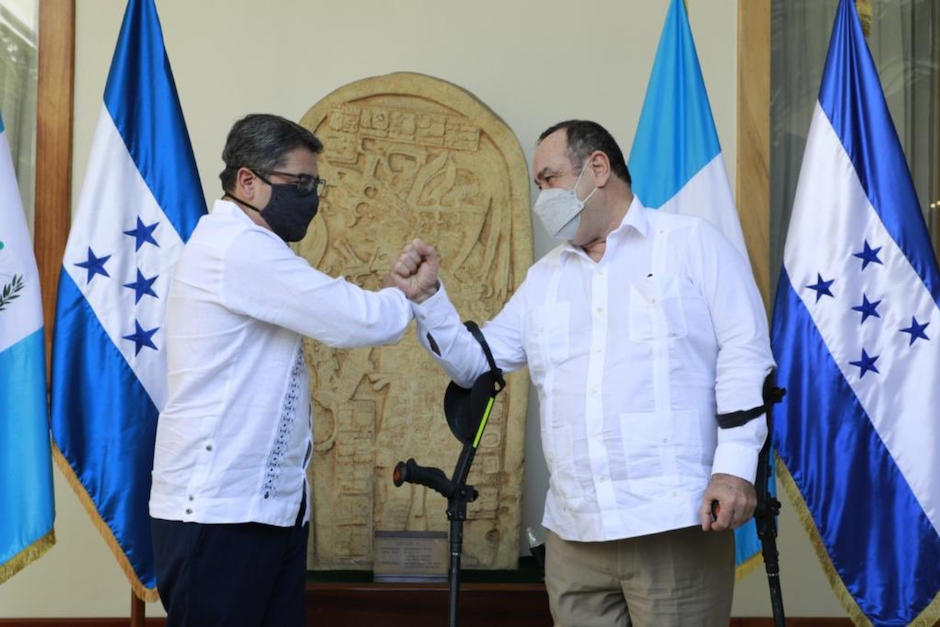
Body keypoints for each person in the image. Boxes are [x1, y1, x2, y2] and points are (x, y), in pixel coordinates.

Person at [391, 120, 775, 627]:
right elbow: (474, 365)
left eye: (549, 179)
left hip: (671, 522)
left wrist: (734, 470)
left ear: (597, 168)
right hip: (573, 536)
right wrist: (427, 299)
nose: (542, 198)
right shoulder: (545, 278)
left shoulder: (692, 245)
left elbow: (746, 355)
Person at [149, 113, 418, 626]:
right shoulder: (237, 247)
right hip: (220, 513)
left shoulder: (250, 247)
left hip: (261, 510)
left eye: (315, 184)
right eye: (301, 183)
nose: (312, 197)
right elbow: (350, 318)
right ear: (247, 181)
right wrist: (402, 292)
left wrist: (387, 296)